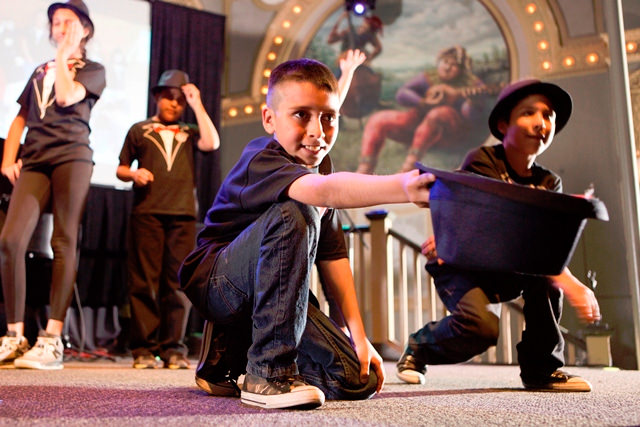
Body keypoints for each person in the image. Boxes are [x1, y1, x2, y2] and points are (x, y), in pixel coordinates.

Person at [178, 58, 434, 410]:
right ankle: (267, 373)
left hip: (273, 289)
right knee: (295, 210)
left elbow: (334, 259)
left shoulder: (319, 174)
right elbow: (324, 192)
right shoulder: (262, 159)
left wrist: (359, 337)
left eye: (329, 117)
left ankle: (229, 361)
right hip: (217, 281)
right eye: (301, 115)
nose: (318, 130)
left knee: (360, 378)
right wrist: (405, 185)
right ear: (270, 119)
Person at [396, 79, 601, 392]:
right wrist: (451, 232)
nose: (540, 123)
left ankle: (540, 368)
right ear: (504, 125)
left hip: (511, 266)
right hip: (461, 264)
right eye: (528, 113)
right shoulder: (483, 160)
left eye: (547, 116)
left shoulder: (548, 182)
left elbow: (545, 248)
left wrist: (564, 279)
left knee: (545, 279)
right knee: (482, 329)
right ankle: (419, 346)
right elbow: (484, 218)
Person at [0, 0, 105, 370]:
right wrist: (8, 159)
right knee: (11, 240)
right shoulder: (37, 71)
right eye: (55, 22)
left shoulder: (92, 70)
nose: (60, 27)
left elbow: (65, 96)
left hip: (72, 158)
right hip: (36, 159)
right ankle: (14, 335)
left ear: (85, 30)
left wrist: (64, 55)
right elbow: (20, 117)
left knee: (63, 240)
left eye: (68, 22)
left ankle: (51, 338)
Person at [116, 70, 220, 369]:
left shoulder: (189, 130)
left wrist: (197, 102)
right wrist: (134, 173)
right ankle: (143, 349)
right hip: (147, 213)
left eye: (179, 100)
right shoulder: (140, 130)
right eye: (168, 98)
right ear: (157, 97)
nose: (173, 104)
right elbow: (120, 168)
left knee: (177, 283)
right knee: (143, 282)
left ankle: (174, 348)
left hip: (183, 215)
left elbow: (212, 143)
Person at [357, 45, 491, 174]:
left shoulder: (473, 84)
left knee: (438, 114)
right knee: (378, 119)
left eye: (454, 65)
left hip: (450, 136)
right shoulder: (428, 77)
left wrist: (473, 102)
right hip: (418, 130)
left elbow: (473, 117)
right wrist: (422, 102)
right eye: (445, 62)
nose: (447, 67)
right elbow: (402, 94)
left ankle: (408, 167)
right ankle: (365, 168)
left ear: (462, 69)